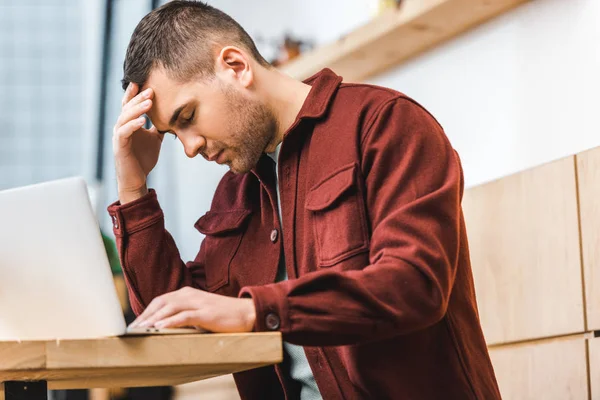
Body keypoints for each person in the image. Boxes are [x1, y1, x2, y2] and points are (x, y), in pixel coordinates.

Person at [108, 1, 501, 399]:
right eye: (175, 134)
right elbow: (173, 319)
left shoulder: (385, 123)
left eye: (187, 117)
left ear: (236, 66)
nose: (190, 148)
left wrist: (253, 312)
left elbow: (414, 285)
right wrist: (133, 188)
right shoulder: (235, 192)